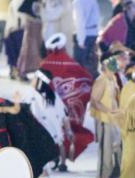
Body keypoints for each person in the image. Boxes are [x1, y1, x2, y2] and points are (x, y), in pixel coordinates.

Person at [40, 33, 95, 167]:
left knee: (52, 133)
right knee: (65, 134)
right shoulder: (73, 64)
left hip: (48, 106)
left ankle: (55, 158)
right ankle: (63, 161)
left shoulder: (44, 64)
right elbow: (86, 80)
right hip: (64, 108)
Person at [20, 69, 69, 178]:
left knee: (37, 162)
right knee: (38, 162)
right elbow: (64, 115)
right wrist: (67, 132)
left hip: (39, 135)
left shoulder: (31, 95)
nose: (31, 80)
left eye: (34, 78)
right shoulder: (53, 95)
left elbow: (26, 114)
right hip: (52, 136)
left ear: (38, 80)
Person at [90, 56, 122, 178]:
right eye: (111, 69)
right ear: (105, 68)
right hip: (105, 121)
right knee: (106, 154)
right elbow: (94, 101)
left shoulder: (112, 79)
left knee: (116, 152)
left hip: (114, 120)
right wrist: (108, 111)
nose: (113, 72)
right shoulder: (101, 81)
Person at [72, 0, 101, 72]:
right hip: (93, 34)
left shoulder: (78, 2)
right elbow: (97, 18)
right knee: (92, 64)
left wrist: (81, 41)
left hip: (84, 36)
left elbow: (80, 22)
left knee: (79, 67)